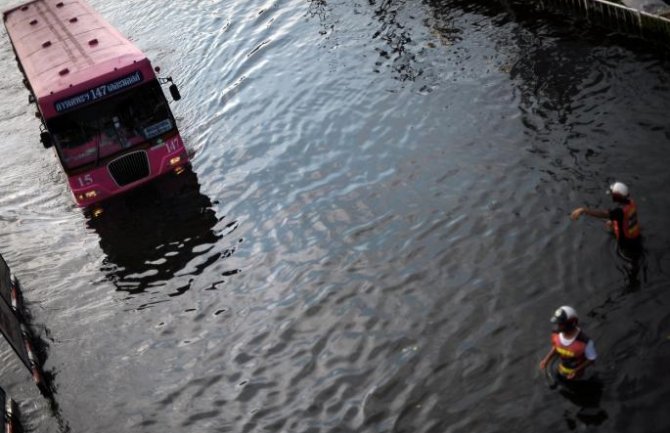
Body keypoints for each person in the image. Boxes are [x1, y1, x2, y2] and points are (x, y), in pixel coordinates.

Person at [570, 181, 641, 254]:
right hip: (636, 237)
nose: (611, 196)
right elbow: (624, 218)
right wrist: (613, 222)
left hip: (626, 243)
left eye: (612, 195)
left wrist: (583, 210)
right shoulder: (631, 202)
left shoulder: (619, 211)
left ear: (617, 196)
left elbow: (602, 214)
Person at [539, 306, 597, 380]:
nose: (557, 326)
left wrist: (576, 371)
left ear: (571, 323)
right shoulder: (556, 334)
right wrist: (546, 360)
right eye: (557, 323)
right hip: (563, 368)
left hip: (581, 375)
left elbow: (591, 359)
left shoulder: (584, 342)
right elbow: (556, 347)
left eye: (560, 324)